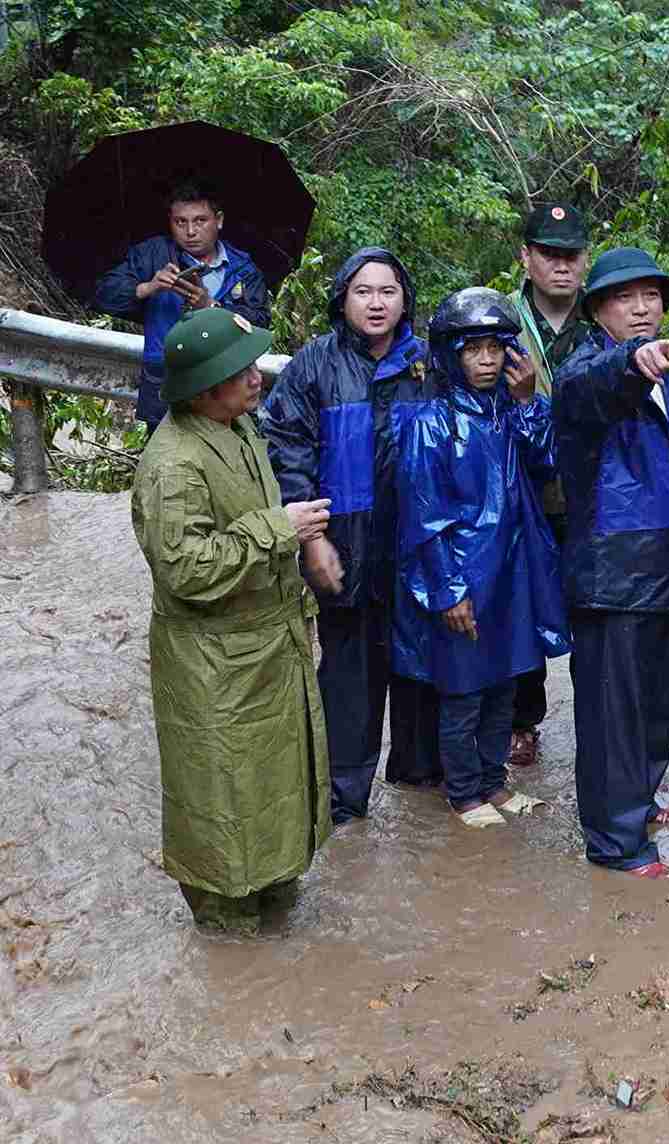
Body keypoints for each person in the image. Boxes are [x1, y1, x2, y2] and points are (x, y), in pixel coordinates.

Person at [131, 307, 330, 936]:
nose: (256, 379)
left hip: (266, 646)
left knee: (276, 784)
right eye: (240, 372)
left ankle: (273, 903)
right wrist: (281, 529)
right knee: (223, 795)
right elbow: (186, 569)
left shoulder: (239, 428)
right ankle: (227, 932)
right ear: (205, 389)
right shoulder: (173, 466)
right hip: (215, 665)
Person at [260, 248, 441, 825]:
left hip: (416, 552)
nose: (376, 303)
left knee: (419, 670)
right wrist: (312, 540)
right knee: (348, 677)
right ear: (343, 298)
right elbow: (287, 451)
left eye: (388, 291)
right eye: (363, 291)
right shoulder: (314, 363)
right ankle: (342, 798)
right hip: (346, 549)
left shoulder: (429, 365)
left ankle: (420, 777)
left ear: (405, 299)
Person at [392, 288, 568, 827]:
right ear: (451, 355)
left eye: (495, 348)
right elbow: (424, 517)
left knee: (504, 686)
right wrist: (448, 590)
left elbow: (547, 461)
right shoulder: (430, 423)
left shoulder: (511, 413)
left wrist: (530, 401)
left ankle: (493, 783)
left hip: (513, 575)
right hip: (464, 577)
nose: (487, 360)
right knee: (463, 692)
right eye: (474, 349)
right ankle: (464, 791)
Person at [552, 248, 669, 878]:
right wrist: (631, 366)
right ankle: (615, 842)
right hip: (613, 576)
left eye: (651, 296)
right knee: (612, 715)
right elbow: (594, 389)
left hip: (665, 567)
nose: (641, 308)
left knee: (655, 703)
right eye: (623, 298)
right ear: (598, 310)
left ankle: (642, 800)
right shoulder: (585, 372)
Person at [507, 203, 591, 769]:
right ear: (526, 257)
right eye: (549, 254)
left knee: (592, 609)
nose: (561, 266)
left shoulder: (603, 316)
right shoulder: (502, 320)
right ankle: (521, 721)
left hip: (587, 497)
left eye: (571, 255)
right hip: (522, 495)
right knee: (521, 605)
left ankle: (600, 717)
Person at [95, 182, 271, 436]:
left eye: (200, 221)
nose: (190, 231)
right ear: (170, 221)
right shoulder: (152, 254)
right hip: (167, 386)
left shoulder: (242, 267)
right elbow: (104, 294)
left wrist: (211, 307)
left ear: (218, 220)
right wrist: (147, 287)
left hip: (229, 387)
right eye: (180, 222)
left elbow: (260, 321)